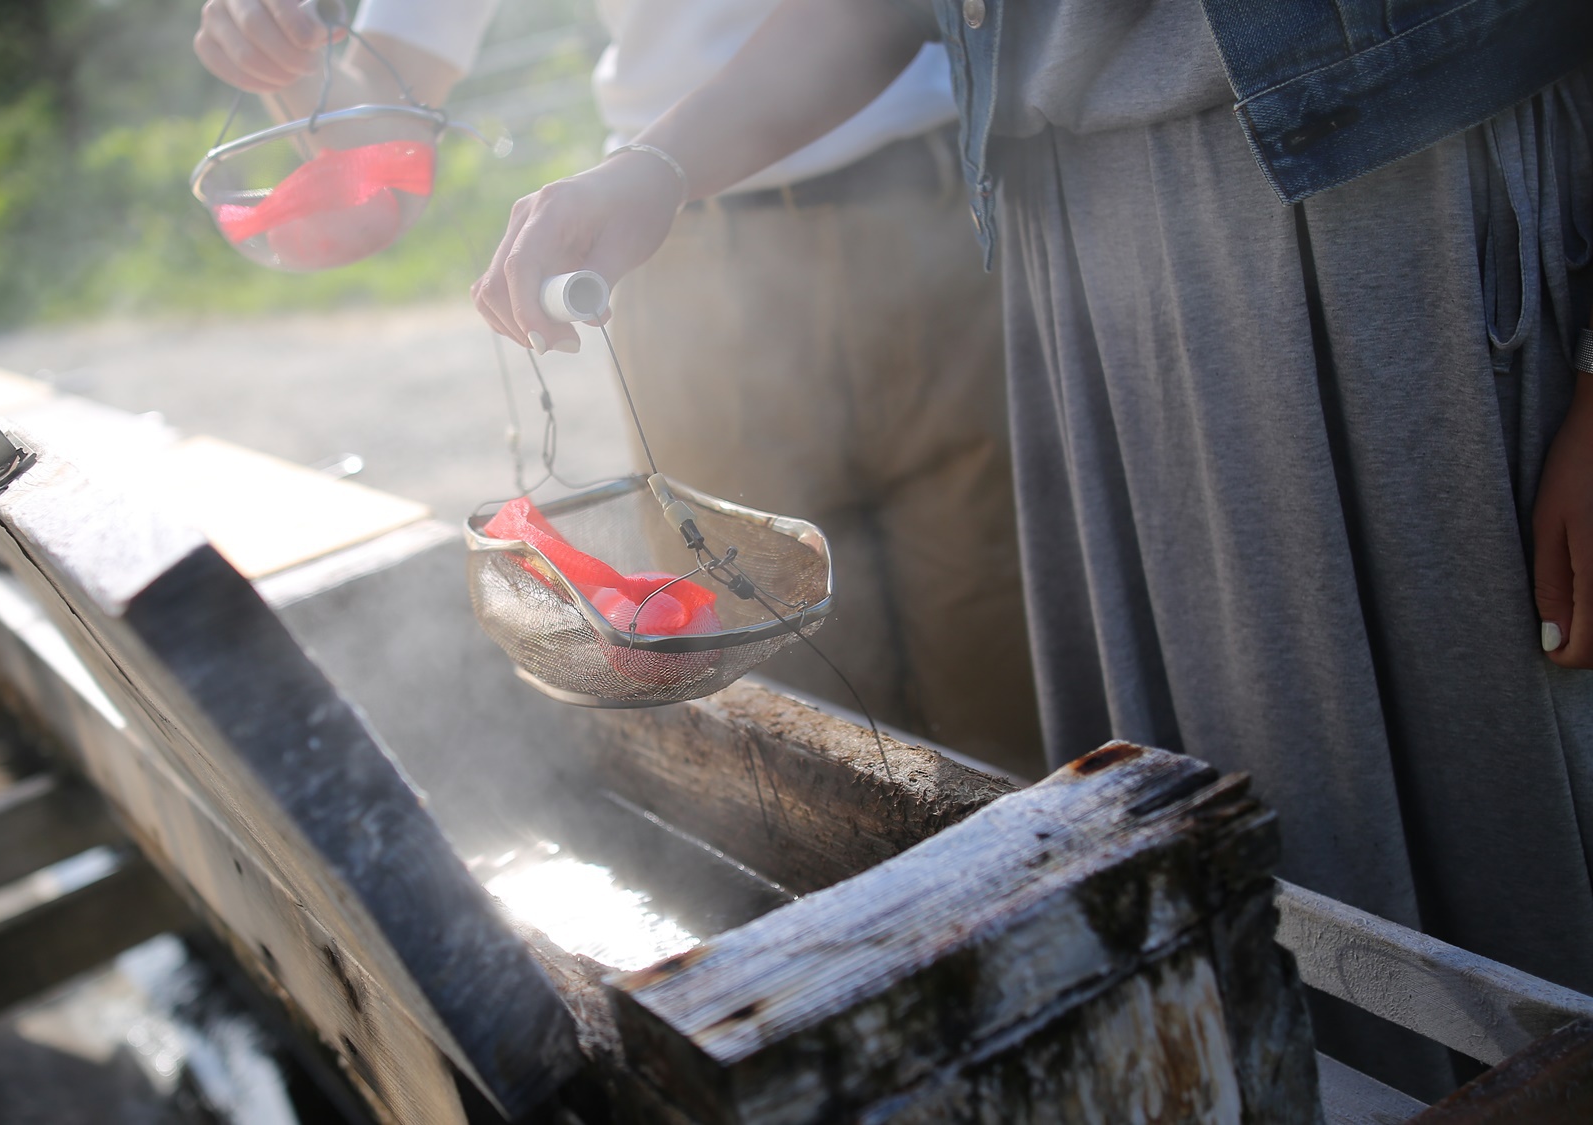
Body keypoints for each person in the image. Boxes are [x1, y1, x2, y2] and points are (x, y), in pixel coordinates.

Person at [471, 0, 1593, 1099]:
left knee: (1500, 873)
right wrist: (654, 167)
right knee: (1210, 860)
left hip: (1393, 201)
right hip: (1074, 249)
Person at [193, 0, 1047, 780]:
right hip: (693, 264)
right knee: (787, 725)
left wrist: (659, 164)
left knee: (1013, 686)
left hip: (949, 227)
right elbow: (375, 141)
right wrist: (291, 66)